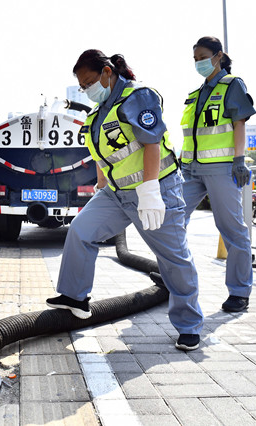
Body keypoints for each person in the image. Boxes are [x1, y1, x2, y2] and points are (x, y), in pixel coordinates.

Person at [46, 50, 204, 351]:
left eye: (90, 81)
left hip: (156, 190)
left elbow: (151, 143)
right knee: (81, 230)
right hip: (116, 194)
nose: (88, 90)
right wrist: (101, 188)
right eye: (82, 87)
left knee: (173, 259)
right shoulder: (98, 113)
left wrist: (150, 190)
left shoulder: (138, 96)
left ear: (108, 72)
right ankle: (74, 297)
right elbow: (104, 158)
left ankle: (190, 325)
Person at [180, 36, 256, 313]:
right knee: (171, 220)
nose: (198, 62)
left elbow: (239, 123)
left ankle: (239, 291)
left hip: (222, 168)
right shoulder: (197, 93)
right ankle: (173, 278)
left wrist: (239, 159)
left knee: (233, 230)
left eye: (202, 57)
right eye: (195, 58)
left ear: (218, 56)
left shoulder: (231, 85)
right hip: (190, 169)